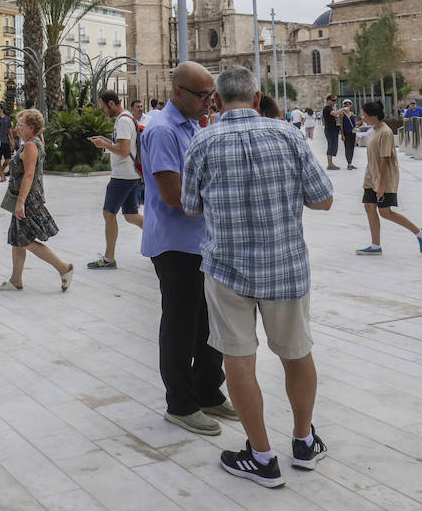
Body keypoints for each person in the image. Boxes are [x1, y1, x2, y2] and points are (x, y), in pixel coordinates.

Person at [181, 65, 334, 489]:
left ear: (218, 100)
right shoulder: (287, 134)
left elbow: (191, 207)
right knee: (297, 354)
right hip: (285, 266)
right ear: (255, 96)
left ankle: (262, 457)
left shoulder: (202, 141)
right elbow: (323, 199)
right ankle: (304, 442)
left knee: (239, 360)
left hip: (227, 269)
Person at [141, 62, 237, 438]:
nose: (208, 103)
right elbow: (172, 195)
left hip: (200, 241)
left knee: (208, 323)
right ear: (177, 92)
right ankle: (180, 404)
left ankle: (208, 391)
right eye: (201, 96)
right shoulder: (164, 131)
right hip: (176, 245)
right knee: (180, 326)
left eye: (210, 95)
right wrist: (225, 197)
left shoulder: (193, 127)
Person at [0, 108, 74, 292]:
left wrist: (20, 202)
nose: (17, 128)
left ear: (30, 127)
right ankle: (16, 280)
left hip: (27, 200)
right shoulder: (34, 141)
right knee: (17, 239)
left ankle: (63, 268)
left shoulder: (30, 146)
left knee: (25, 240)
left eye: (20, 125)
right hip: (25, 197)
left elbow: (29, 175)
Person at [355, 101, 422, 257]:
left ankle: (419, 233)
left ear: (374, 115)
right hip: (371, 176)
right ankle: (375, 245)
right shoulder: (373, 130)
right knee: (369, 207)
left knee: (385, 212)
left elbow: (385, 160)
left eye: (366, 115)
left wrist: (381, 185)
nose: (364, 118)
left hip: (385, 178)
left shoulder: (385, 132)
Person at [87, 90, 144, 270]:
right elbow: (122, 146)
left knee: (108, 213)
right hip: (131, 174)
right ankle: (162, 236)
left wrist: (103, 145)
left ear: (111, 103)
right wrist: (105, 140)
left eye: (103, 107)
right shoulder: (127, 118)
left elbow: (124, 151)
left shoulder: (123, 121)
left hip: (122, 175)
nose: (102, 111)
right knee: (130, 215)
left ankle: (109, 258)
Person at [337, 100, 358, 170]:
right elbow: (341, 124)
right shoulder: (341, 114)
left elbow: (354, 123)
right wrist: (342, 134)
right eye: (345, 104)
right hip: (346, 133)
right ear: (343, 106)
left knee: (352, 147)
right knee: (347, 147)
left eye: (348, 104)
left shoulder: (352, 113)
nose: (347, 105)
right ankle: (349, 163)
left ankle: (350, 163)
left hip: (353, 133)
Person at [321, 95, 340, 170]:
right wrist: (343, 109)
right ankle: (330, 164)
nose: (334, 102)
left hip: (333, 129)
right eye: (333, 100)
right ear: (328, 101)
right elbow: (334, 114)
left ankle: (331, 163)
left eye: (335, 100)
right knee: (331, 145)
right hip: (330, 130)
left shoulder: (330, 108)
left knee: (333, 145)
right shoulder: (327, 108)